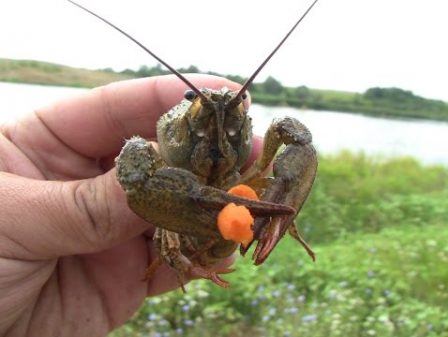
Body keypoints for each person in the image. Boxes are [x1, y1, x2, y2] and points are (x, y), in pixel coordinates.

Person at [0, 75, 260, 336]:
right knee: (138, 152)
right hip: (176, 214)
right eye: (195, 101)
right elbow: (139, 179)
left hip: (216, 226)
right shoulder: (156, 157)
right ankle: (182, 257)